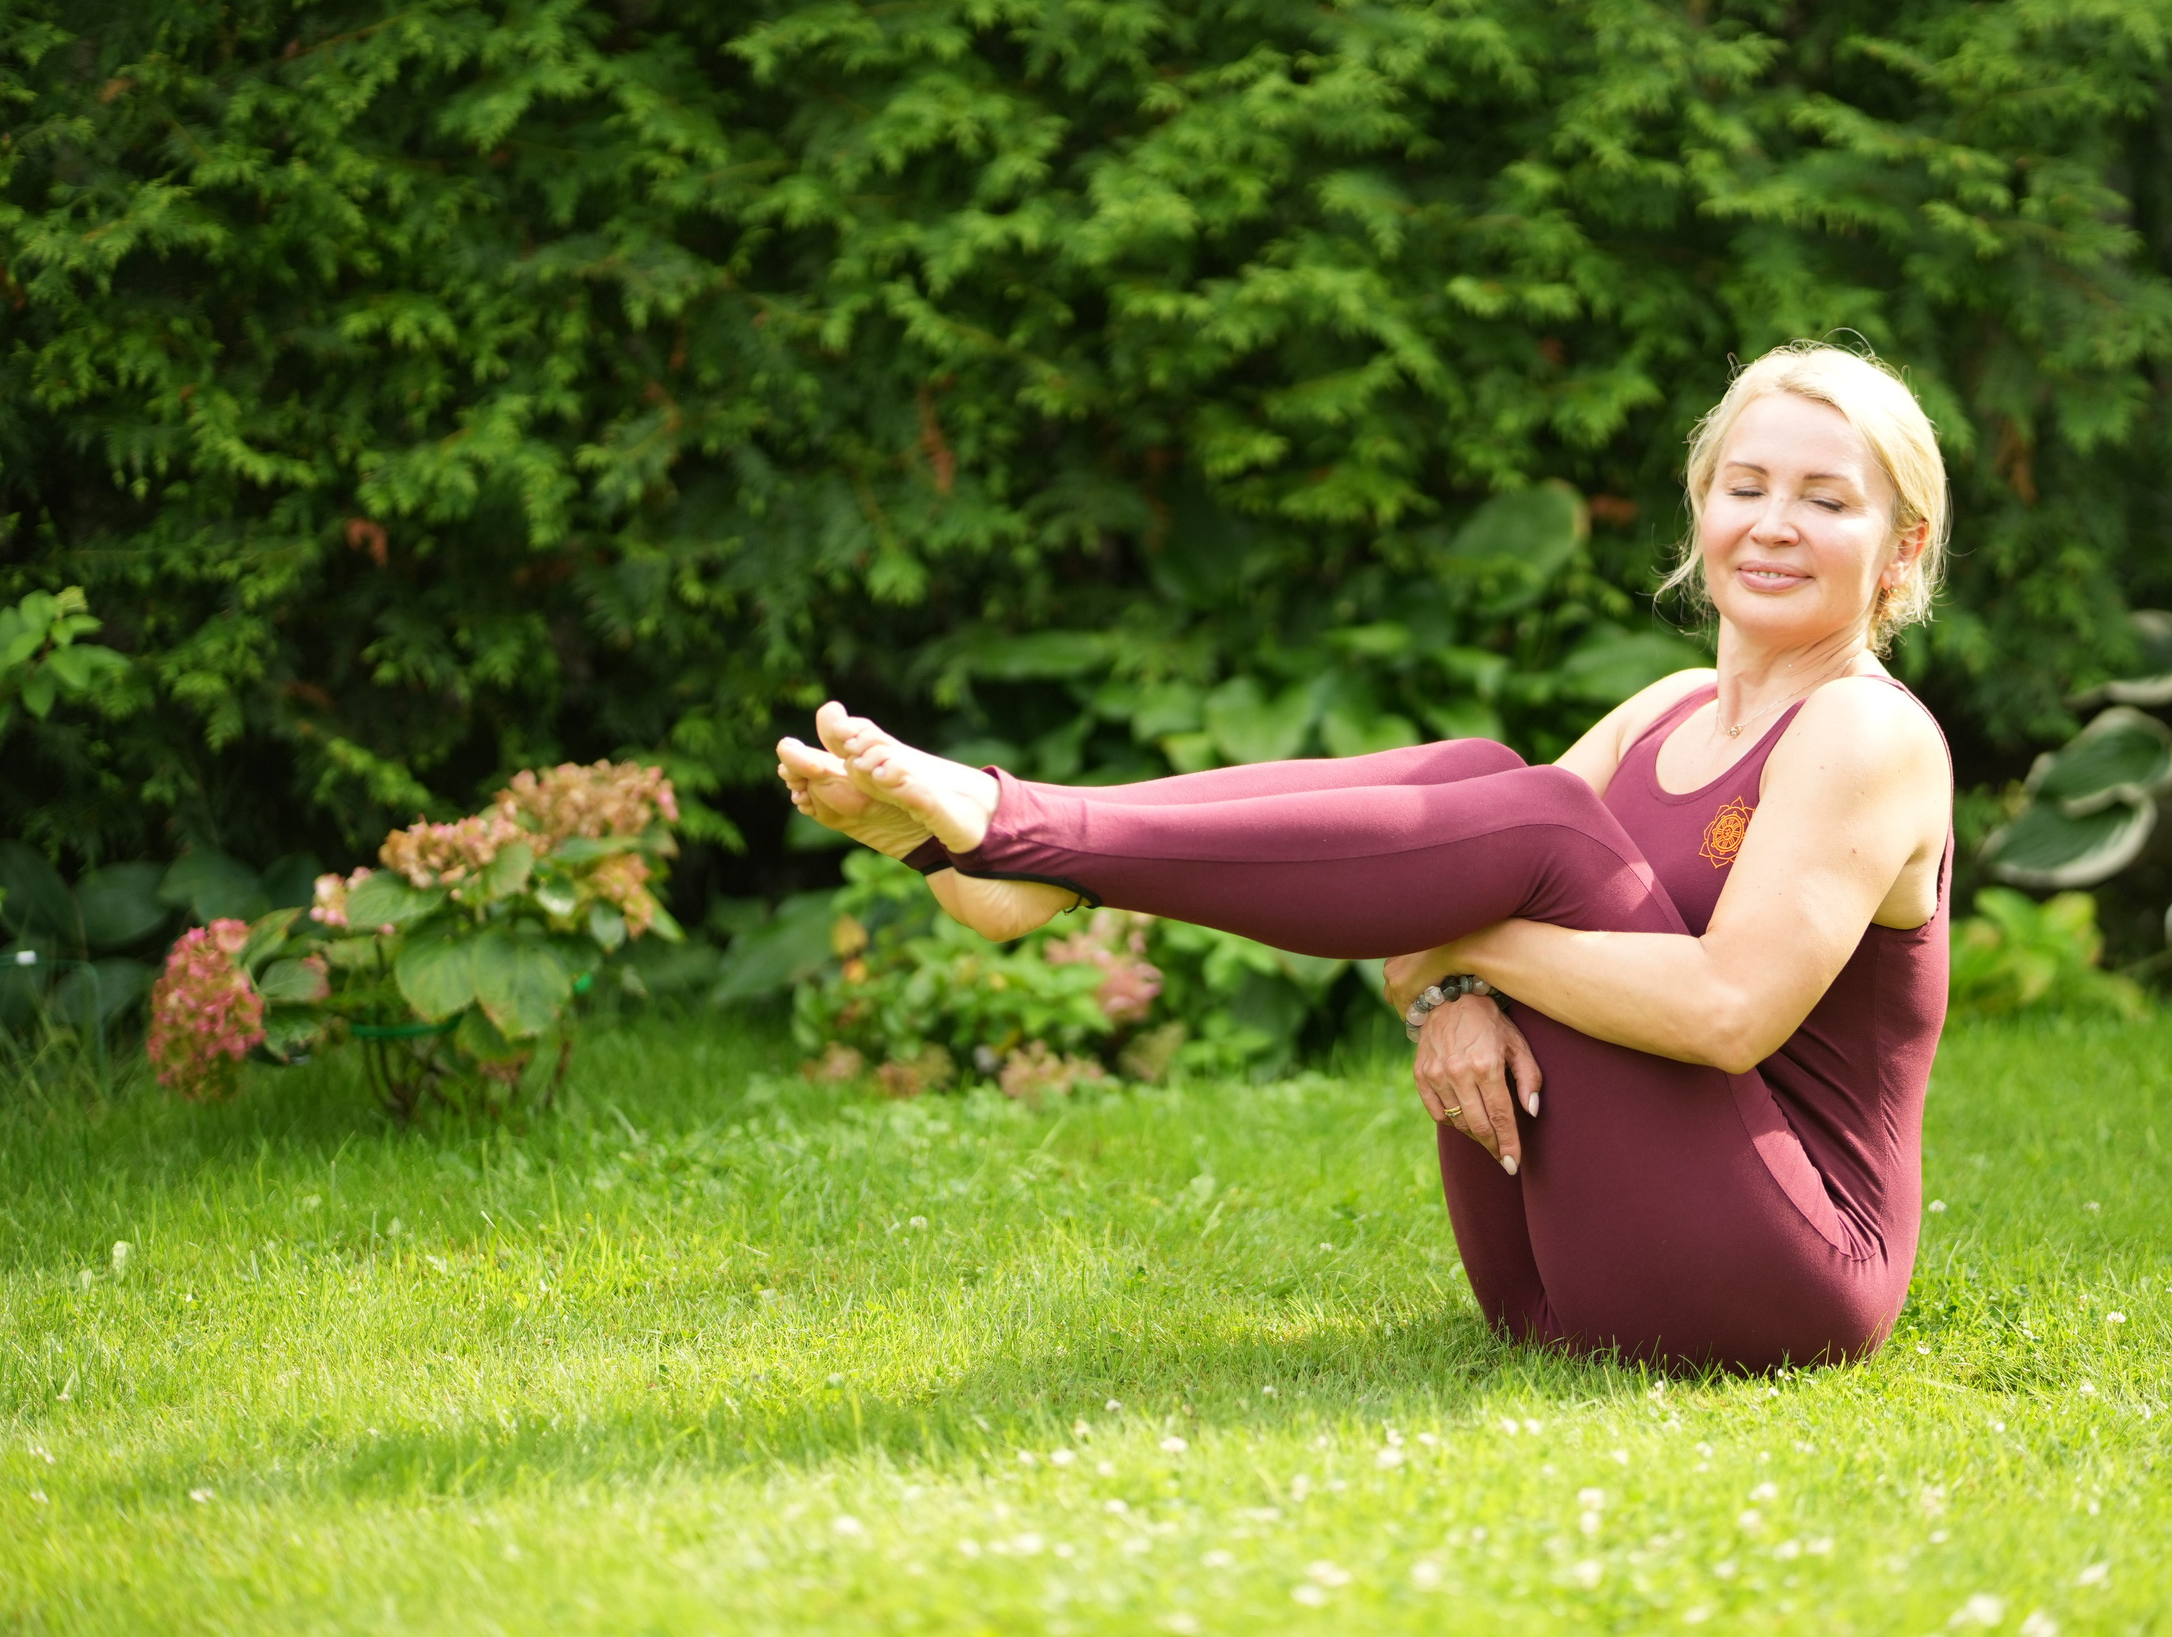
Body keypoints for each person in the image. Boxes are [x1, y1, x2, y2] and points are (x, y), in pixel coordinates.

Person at [776, 342, 1953, 1375]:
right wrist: (1450, 987)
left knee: (1534, 819)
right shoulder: (1670, 706)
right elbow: (1426, 909)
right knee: (1480, 778)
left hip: (1778, 1281)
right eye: (1743, 487)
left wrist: (1472, 948)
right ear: (1702, 512)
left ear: (1898, 550)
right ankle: (1027, 853)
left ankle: (1025, 838)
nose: (1774, 524)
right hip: (1560, 1285)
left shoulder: (1865, 731)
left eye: (1824, 501)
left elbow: (1727, 1011)